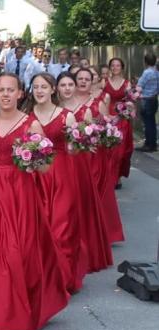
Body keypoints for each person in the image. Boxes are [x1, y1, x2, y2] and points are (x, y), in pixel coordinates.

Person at [0, 73, 69, 330]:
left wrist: (34, 156)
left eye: (11, 90)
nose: (6, 94)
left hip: (21, 194)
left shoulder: (31, 125)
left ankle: (18, 317)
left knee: (18, 252)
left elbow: (45, 167)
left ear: (21, 93)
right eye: (1, 90)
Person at [27, 72, 84, 293]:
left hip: (61, 175)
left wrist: (78, 141)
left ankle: (64, 278)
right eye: (36, 87)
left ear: (53, 90)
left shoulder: (66, 116)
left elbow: (74, 150)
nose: (39, 91)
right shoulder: (26, 116)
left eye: (44, 87)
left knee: (62, 226)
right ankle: (44, 277)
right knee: (40, 227)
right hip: (35, 177)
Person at [57, 72, 113, 274]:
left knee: (81, 204)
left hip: (79, 163)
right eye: (63, 84)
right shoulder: (54, 110)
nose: (68, 88)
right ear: (57, 88)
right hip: (57, 165)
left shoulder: (86, 110)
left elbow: (92, 141)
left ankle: (84, 250)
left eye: (70, 84)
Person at [73, 68, 124, 245]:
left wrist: (107, 134)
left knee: (94, 193)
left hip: (94, 155)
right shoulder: (64, 103)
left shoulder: (97, 103)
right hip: (72, 155)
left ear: (92, 81)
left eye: (87, 79)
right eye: (80, 78)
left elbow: (106, 125)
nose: (83, 82)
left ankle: (99, 232)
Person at [101, 58, 134, 187]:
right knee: (108, 150)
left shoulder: (127, 84)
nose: (115, 68)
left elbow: (130, 102)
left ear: (122, 67)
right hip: (107, 118)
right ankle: (109, 176)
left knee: (121, 151)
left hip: (122, 120)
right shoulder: (104, 82)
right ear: (110, 68)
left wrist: (129, 109)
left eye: (118, 65)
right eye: (113, 65)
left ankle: (117, 176)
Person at [136, 53, 158, 152]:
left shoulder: (146, 72)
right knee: (152, 122)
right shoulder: (157, 72)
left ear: (145, 62)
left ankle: (148, 145)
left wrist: (136, 85)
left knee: (147, 123)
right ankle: (153, 143)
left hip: (146, 100)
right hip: (154, 99)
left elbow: (139, 87)